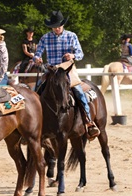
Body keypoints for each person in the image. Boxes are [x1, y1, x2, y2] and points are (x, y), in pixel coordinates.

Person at [34, 10, 100, 139]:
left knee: (79, 92)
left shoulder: (71, 36)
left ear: (62, 25)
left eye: (58, 26)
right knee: (36, 92)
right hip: (51, 71)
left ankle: (88, 121)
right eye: (54, 27)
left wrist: (73, 55)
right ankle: (34, 123)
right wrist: (36, 58)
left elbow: (80, 54)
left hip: (67, 70)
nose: (57, 29)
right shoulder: (45, 37)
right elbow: (38, 52)